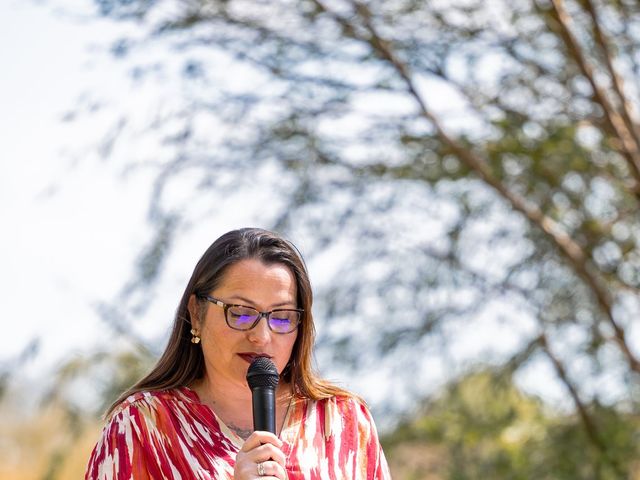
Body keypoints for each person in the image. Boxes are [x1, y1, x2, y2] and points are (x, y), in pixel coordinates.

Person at [85, 227, 391, 479]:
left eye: (282, 317)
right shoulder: (142, 426)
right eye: (241, 313)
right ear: (196, 312)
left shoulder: (343, 422)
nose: (261, 336)